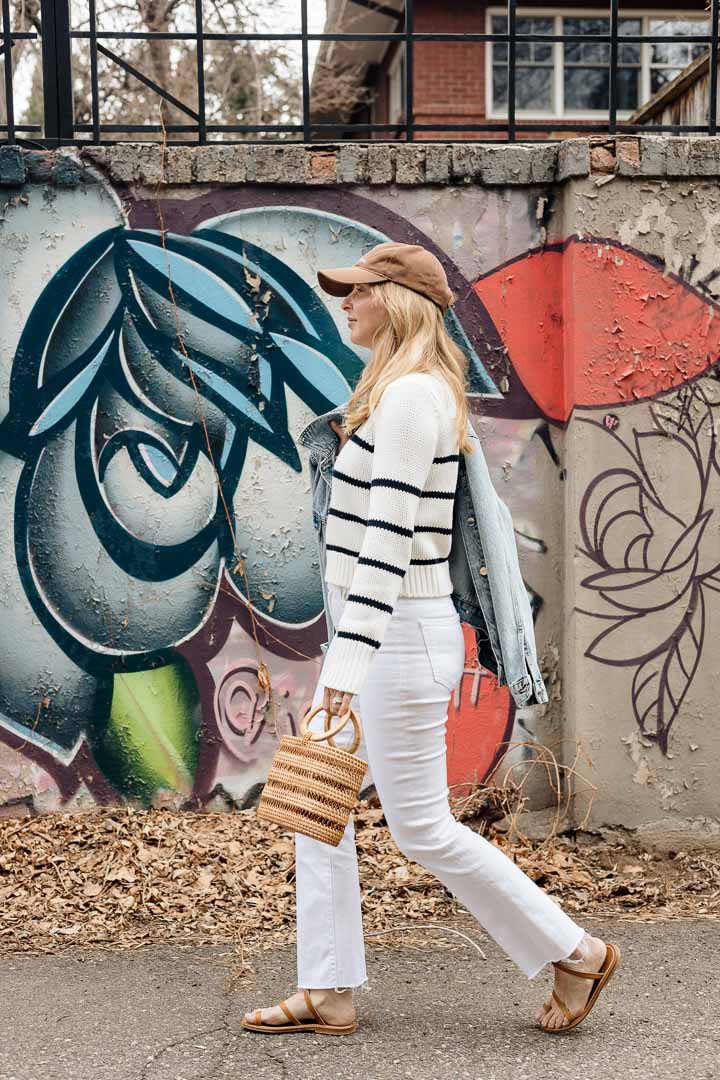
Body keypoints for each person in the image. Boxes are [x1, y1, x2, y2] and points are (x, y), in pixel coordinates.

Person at [243, 241, 620, 1037]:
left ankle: (576, 950)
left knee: (420, 828)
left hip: (395, 641)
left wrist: (345, 667)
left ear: (400, 301)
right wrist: (346, 651)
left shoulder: (415, 398)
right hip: (375, 636)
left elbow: (387, 542)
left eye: (358, 291)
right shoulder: (394, 394)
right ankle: (328, 987)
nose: (345, 303)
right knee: (324, 808)